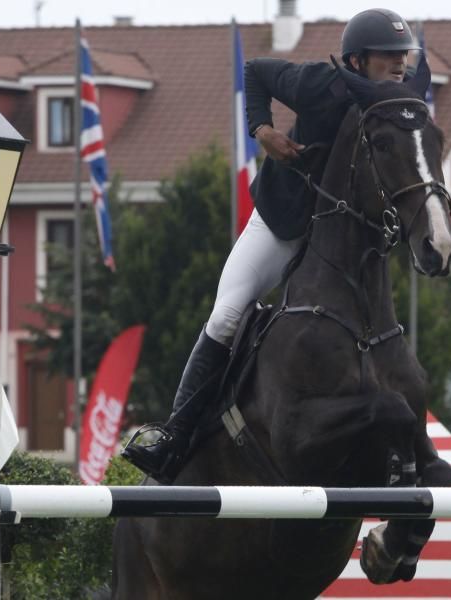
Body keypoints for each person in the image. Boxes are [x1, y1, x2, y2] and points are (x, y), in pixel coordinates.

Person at [121, 8, 422, 483]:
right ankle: (174, 438)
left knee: (378, 330)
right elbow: (256, 71)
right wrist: (263, 131)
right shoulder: (321, 84)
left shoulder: (397, 105)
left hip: (343, 243)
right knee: (227, 315)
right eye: (390, 56)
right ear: (358, 60)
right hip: (283, 224)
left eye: (403, 56)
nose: (401, 64)